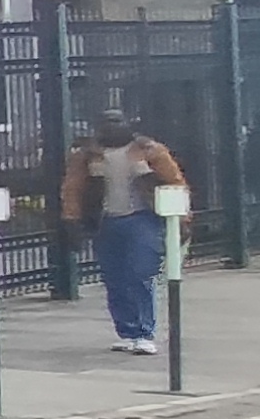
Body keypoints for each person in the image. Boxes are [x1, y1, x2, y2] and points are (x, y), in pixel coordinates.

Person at [60, 110, 186, 355]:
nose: (111, 127)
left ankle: (145, 332)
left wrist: (181, 219)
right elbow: (72, 189)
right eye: (106, 123)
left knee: (140, 274)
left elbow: (175, 182)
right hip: (105, 221)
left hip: (143, 219)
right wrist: (71, 220)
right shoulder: (87, 156)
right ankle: (128, 331)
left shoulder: (149, 150)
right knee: (114, 279)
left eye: (116, 122)